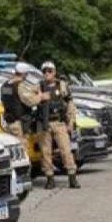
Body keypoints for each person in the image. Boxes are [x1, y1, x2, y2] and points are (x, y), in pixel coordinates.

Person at [37, 61, 80, 190]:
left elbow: (70, 104)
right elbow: (30, 100)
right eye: (44, 71)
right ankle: (50, 179)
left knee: (66, 150)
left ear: (54, 72)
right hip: (44, 124)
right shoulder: (38, 87)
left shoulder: (61, 85)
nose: (47, 74)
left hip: (59, 122)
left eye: (49, 71)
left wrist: (71, 121)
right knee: (46, 153)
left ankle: (72, 177)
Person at [0, 63, 41, 142]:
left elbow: (4, 100)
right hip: (19, 123)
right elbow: (31, 102)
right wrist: (40, 96)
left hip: (9, 122)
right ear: (24, 74)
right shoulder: (20, 85)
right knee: (22, 149)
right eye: (27, 74)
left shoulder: (5, 85)